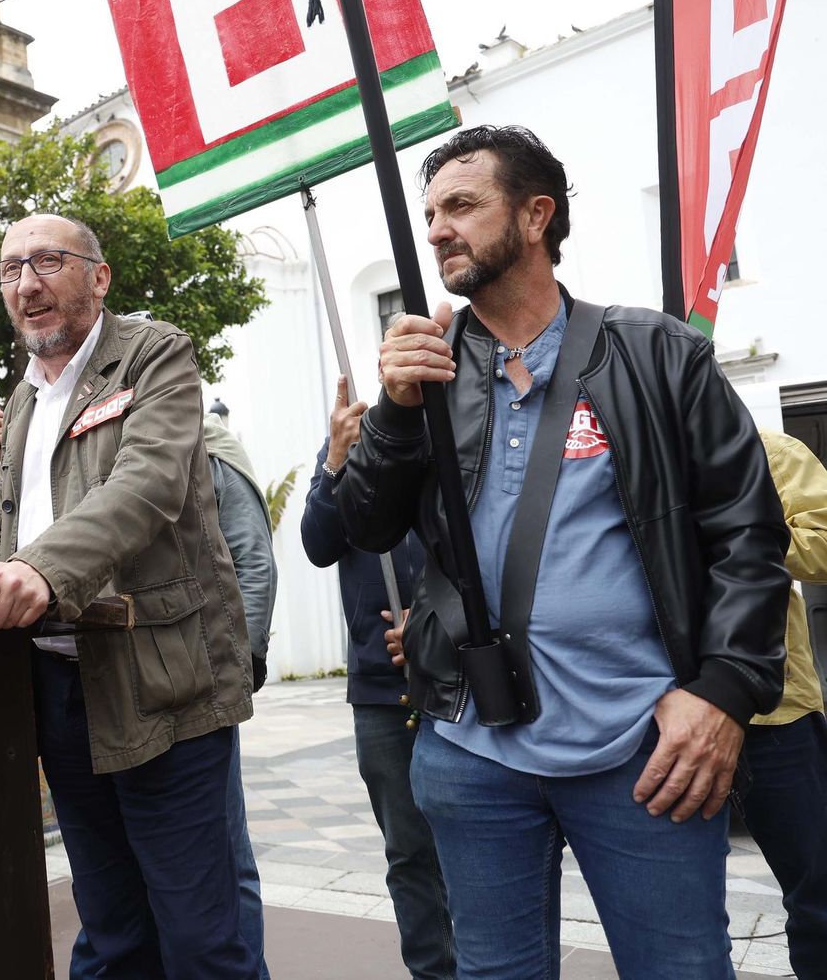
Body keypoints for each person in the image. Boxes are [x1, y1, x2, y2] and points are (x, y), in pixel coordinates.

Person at [335, 124, 789, 978]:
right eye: (430, 212)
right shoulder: (429, 374)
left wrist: (723, 693)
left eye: (461, 205)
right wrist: (395, 411)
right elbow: (363, 527)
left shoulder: (658, 353)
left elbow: (748, 534)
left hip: (645, 749)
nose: (436, 229)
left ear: (536, 216)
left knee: (681, 970)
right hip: (471, 747)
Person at [0, 215, 257, 978]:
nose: (26, 283)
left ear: (98, 277)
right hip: (60, 691)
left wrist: (40, 570)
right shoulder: (26, 398)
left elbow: (146, 486)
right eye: (9, 269)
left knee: (201, 941)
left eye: (48, 261)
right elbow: (17, 533)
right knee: (115, 934)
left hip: (162, 682)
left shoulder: (155, 353)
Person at [0, 398, 278, 979]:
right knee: (118, 917)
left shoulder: (204, 444)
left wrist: (245, 660)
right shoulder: (38, 434)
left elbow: (248, 557)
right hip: (77, 688)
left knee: (211, 902)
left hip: (181, 687)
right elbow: (16, 537)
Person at [300, 376, 454, 980]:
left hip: (459, 679)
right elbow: (318, 543)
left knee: (478, 845)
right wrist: (337, 460)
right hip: (379, 687)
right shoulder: (351, 442)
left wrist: (437, 619)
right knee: (409, 853)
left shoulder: (453, 432)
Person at [739, 429, 827, 979]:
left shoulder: (770, 451)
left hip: (774, 716)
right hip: (655, 714)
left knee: (817, 889)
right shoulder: (617, 456)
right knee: (680, 904)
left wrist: (744, 536)